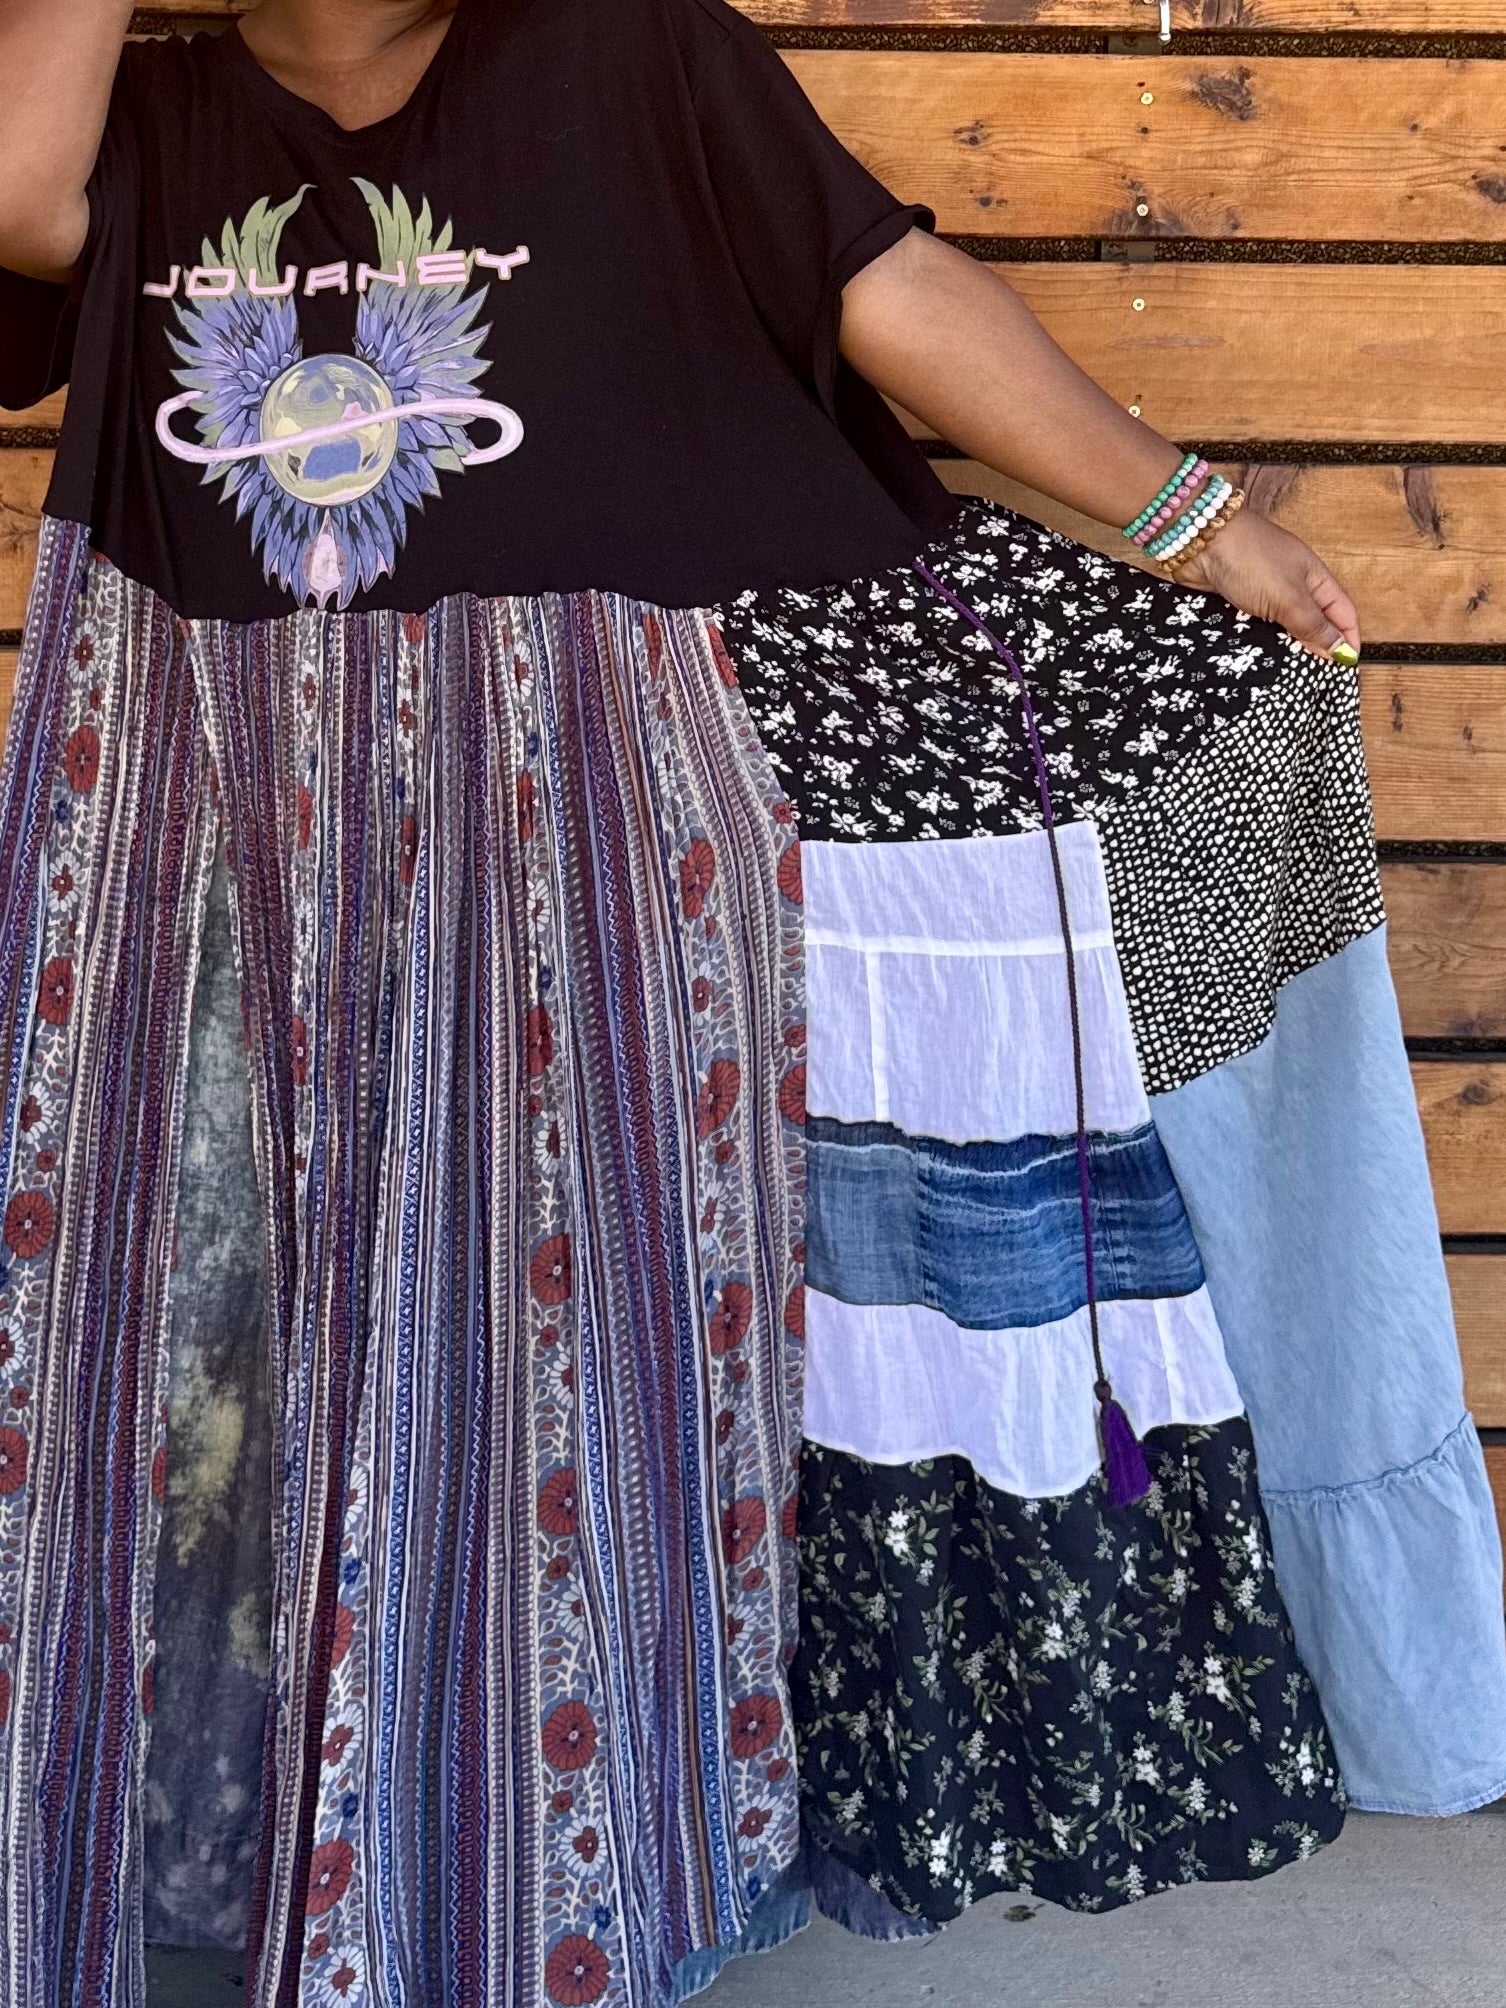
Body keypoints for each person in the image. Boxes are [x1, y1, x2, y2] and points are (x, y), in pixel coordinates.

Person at [0, 2, 1498, 2003]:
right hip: (256, 865)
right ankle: (313, 1823)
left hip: (619, 866)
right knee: (292, 1348)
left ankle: (572, 1833)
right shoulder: (145, 113)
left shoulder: (625, 54)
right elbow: (19, 202)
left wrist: (1195, 523)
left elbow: (884, 287)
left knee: (582, 1367)